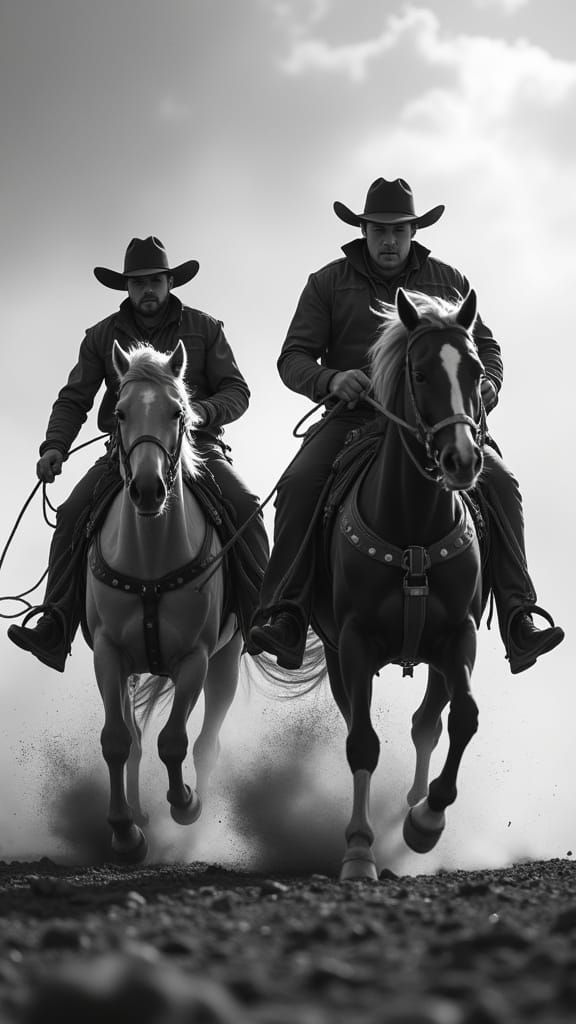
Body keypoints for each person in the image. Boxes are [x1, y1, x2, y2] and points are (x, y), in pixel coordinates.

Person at [248, 177, 564, 675]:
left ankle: (519, 615)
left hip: (438, 420)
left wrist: (489, 385)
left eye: (400, 230)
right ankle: (285, 613)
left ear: (415, 230)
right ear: (364, 230)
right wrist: (331, 378)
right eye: (379, 230)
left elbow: (487, 348)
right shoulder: (327, 283)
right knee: (298, 483)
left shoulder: (448, 280)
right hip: (352, 417)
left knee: (501, 482)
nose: (389, 240)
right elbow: (293, 358)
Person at [8, 235, 269, 672]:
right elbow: (75, 398)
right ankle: (55, 622)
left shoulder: (205, 328)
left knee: (246, 507)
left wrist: (202, 411)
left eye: (155, 281)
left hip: (197, 447)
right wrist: (55, 446)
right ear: (126, 287)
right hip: (124, 450)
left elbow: (237, 391)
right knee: (73, 514)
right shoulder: (102, 336)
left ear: (169, 282)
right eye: (137, 283)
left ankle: (260, 615)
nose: (147, 290)